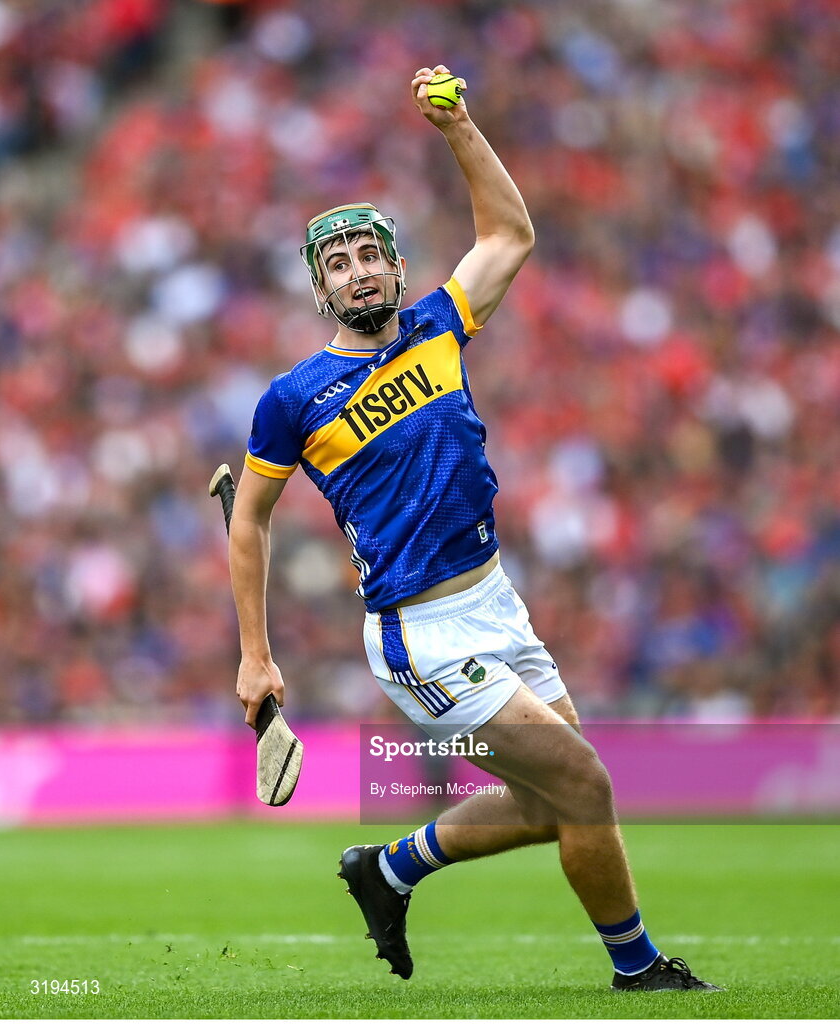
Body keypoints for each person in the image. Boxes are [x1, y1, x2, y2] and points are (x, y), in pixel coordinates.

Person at [228, 64, 721, 993]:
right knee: (586, 784)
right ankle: (639, 971)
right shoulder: (292, 399)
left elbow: (510, 234)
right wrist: (255, 655)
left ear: (395, 266)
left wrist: (456, 128)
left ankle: (387, 869)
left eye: (370, 254)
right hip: (422, 632)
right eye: (338, 264)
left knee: (549, 803)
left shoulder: (440, 325)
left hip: (497, 600)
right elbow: (248, 522)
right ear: (321, 290)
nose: (358, 270)